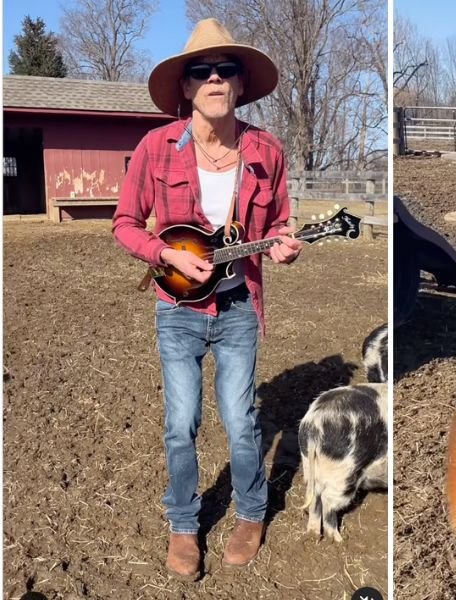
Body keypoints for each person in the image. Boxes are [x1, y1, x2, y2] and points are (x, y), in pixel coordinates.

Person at [112, 19, 301, 580]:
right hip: (178, 310)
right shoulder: (155, 148)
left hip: (239, 305)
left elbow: (284, 223)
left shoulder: (266, 150)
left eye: (227, 70)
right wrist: (165, 256)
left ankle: (250, 513)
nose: (216, 79)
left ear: (241, 85)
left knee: (242, 421)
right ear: (187, 88)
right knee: (181, 421)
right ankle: (184, 525)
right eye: (203, 71)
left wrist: (288, 247)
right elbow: (123, 223)